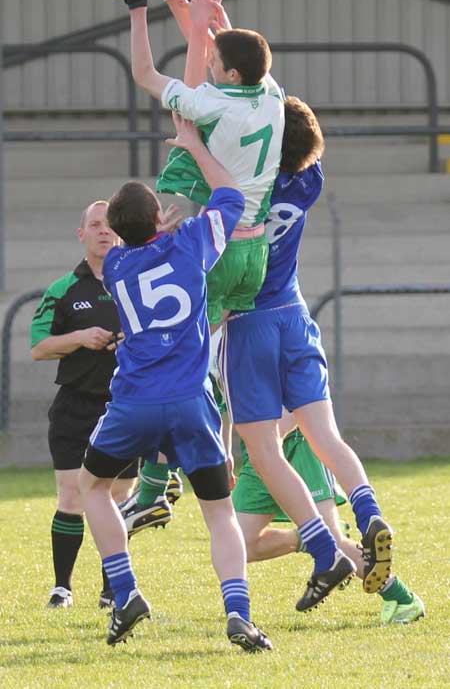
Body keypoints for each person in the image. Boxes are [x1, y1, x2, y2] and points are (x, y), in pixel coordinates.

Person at [100, 0, 285, 533]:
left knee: (177, 354)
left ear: (225, 72)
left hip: (215, 232)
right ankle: (217, 451)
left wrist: (138, 7)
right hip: (253, 252)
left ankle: (156, 483)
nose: (204, 48)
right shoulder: (272, 96)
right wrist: (201, 10)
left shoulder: (203, 111)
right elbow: (219, 52)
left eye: (212, 52)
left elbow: (151, 76)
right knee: (209, 357)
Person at [78, 130, 272, 651]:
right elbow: (231, 195)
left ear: (117, 232)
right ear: (160, 217)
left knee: (91, 488)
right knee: (219, 512)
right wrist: (195, 146)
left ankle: (125, 592)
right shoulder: (190, 246)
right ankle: (239, 615)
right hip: (190, 401)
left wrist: (148, 231)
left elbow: (128, 244)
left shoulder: (114, 267)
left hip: (135, 402)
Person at [219, 96, 396, 610]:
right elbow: (288, 129)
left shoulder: (247, 190)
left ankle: (324, 548)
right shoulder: (311, 180)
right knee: (327, 438)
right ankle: (367, 513)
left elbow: (246, 123)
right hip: (296, 318)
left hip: (250, 324)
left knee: (263, 451)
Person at [30, 200, 139, 609]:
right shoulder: (63, 290)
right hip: (75, 407)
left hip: (125, 406)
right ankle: (62, 587)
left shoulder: (136, 282)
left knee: (118, 500)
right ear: (82, 234)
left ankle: (113, 588)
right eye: (94, 224)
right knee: (72, 497)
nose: (103, 231)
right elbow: (39, 347)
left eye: (110, 225)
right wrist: (81, 337)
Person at [233, 418, 425, 625]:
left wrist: (272, 436)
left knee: (334, 541)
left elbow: (301, 398)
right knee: (238, 545)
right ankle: (313, 537)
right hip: (259, 454)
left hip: (297, 446)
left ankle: (402, 599)